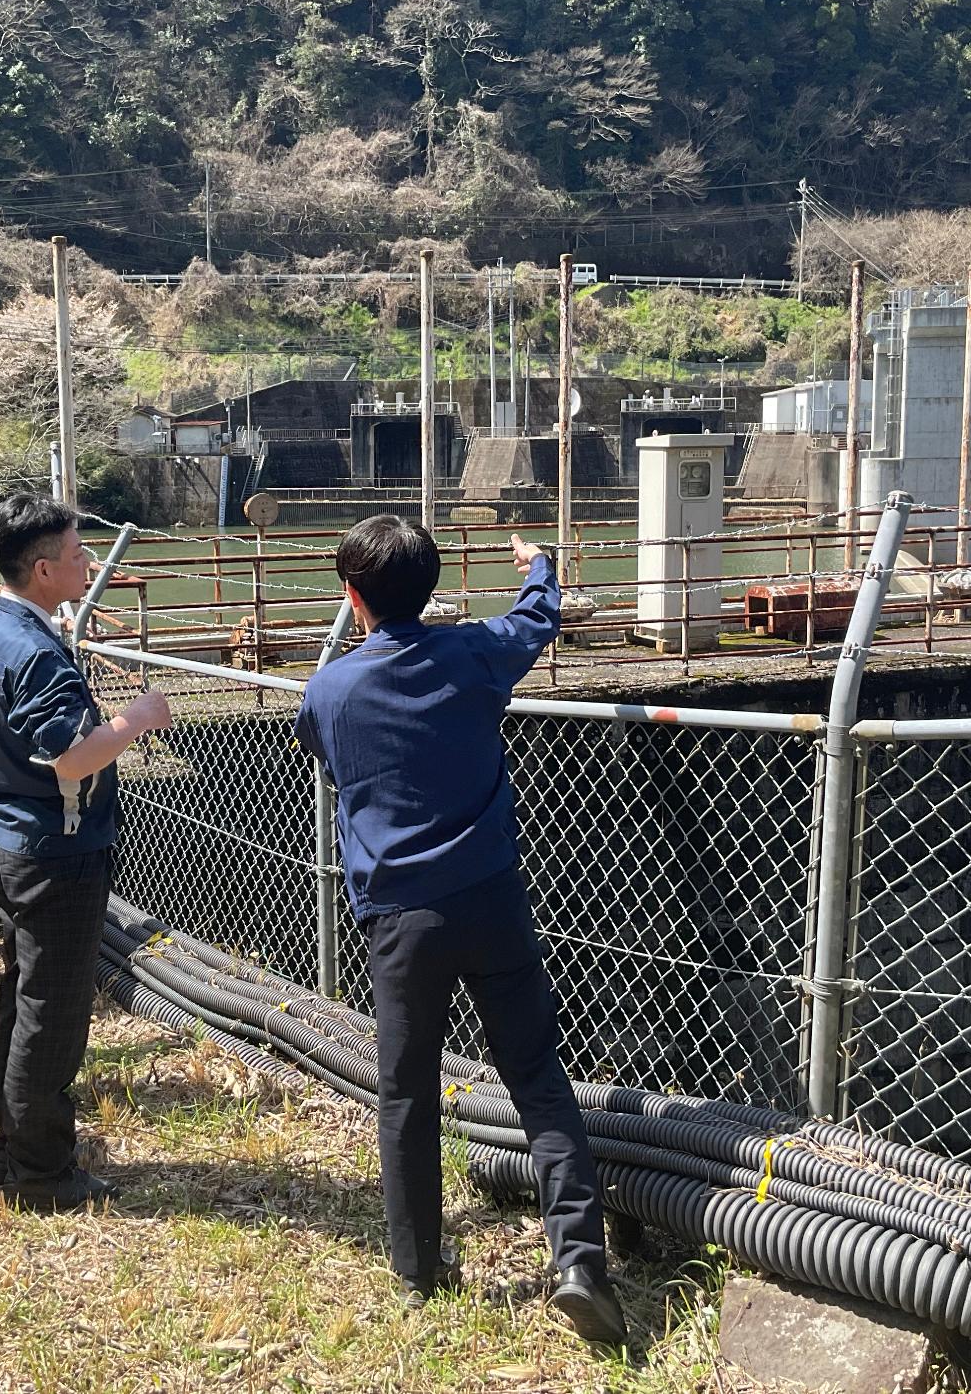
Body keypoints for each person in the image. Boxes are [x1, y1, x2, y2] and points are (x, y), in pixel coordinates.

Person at [294, 516, 626, 1345]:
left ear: (351, 596)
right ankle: (581, 1263)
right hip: (489, 896)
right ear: (431, 588)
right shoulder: (473, 655)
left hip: (399, 919)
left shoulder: (330, 689)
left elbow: (331, 762)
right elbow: (536, 621)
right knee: (538, 1079)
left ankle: (419, 1266)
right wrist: (538, 566)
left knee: (406, 1093)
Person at [0, 493, 169, 1211]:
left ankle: (14, 1142)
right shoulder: (34, 651)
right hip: (59, 852)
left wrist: (9, 773)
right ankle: (41, 1169)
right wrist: (138, 718)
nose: (88, 562)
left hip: (14, 839)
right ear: (42, 570)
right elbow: (71, 756)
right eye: (76, 554)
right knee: (54, 1010)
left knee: (23, 993)